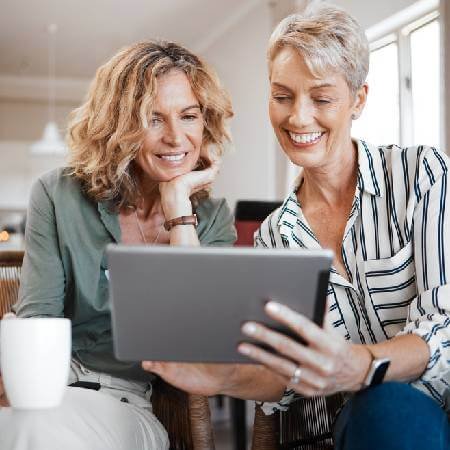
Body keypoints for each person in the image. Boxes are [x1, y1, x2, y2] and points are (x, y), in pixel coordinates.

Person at [142, 4, 450, 449]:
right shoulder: (274, 235)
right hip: (358, 428)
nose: (298, 118)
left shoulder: (419, 175)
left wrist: (360, 366)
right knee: (385, 411)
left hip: (436, 405)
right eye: (282, 96)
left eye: (321, 98)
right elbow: (284, 376)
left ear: (358, 99)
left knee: (393, 404)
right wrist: (220, 376)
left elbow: (443, 324)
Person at [0, 40, 236, 450]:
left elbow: (196, 343)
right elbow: (39, 317)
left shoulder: (212, 219)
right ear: (119, 126)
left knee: (33, 431)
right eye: (153, 119)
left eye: (189, 116)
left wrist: (179, 209)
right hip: (49, 390)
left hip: (126, 404)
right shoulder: (58, 193)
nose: (176, 137)